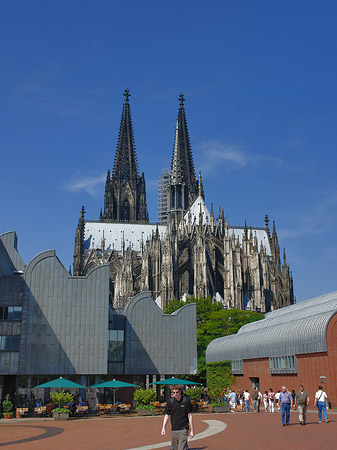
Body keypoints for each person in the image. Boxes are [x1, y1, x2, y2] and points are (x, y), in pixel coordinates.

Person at [161, 385, 194, 450]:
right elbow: (167, 415)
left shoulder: (186, 401)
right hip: (174, 430)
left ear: (180, 392)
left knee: (181, 448)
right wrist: (163, 428)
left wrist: (192, 430)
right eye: (174, 392)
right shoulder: (171, 402)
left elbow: (189, 415)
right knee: (175, 448)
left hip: (183, 429)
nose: (175, 394)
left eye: (177, 392)